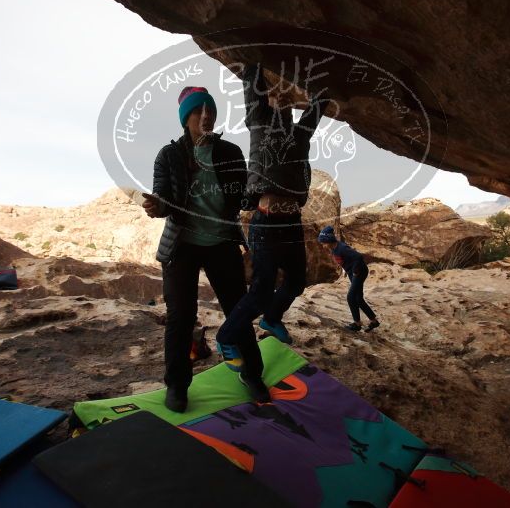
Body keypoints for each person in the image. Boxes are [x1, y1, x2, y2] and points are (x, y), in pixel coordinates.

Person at [142, 86, 270, 413]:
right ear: (186, 118)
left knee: (237, 310)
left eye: (210, 110)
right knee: (181, 316)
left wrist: (255, 197)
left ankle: (252, 374)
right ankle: (177, 385)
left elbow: (241, 195)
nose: (206, 116)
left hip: (221, 243)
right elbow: (164, 199)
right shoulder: (169, 155)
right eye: (199, 111)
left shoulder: (229, 152)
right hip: (182, 245)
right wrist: (157, 206)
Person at [216, 62, 325, 356]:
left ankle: (272, 318)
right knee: (261, 290)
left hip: (292, 223)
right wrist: (255, 60)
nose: (282, 102)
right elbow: (252, 90)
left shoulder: (300, 134)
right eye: (275, 96)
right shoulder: (260, 122)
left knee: (297, 282)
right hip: (266, 223)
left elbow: (318, 105)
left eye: (286, 100)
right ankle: (226, 336)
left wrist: (327, 82)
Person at [317, 225, 380, 332]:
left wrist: (355, 271)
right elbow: (346, 261)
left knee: (351, 297)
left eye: (323, 243)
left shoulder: (342, 248)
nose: (323, 246)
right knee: (358, 298)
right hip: (353, 272)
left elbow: (358, 257)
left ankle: (357, 324)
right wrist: (347, 270)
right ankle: (374, 321)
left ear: (329, 240)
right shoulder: (334, 249)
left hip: (359, 272)